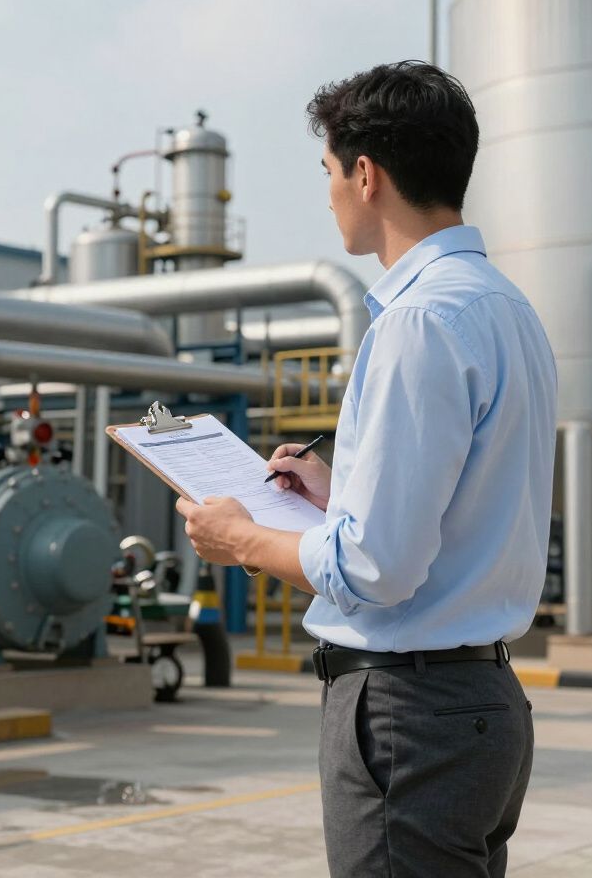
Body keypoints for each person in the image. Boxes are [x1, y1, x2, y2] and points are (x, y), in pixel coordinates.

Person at [175, 61, 557, 877]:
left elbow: (374, 568)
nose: (327, 196)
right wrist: (336, 491)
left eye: (327, 173)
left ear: (364, 172)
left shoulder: (417, 322)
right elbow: (458, 514)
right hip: (481, 704)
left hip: (407, 716)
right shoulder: (505, 308)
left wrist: (238, 537)